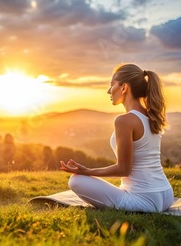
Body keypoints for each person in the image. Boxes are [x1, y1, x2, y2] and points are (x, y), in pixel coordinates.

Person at [60, 63, 174, 213]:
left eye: (112, 85)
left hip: (145, 200)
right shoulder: (152, 116)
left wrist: (87, 171)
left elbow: (123, 169)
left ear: (124, 87)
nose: (109, 91)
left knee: (76, 180)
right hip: (166, 194)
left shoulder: (124, 121)